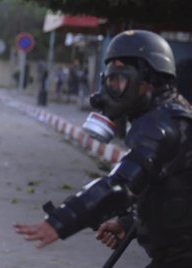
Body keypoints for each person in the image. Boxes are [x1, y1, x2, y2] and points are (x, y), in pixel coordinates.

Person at [14, 30, 192, 268]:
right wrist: (130, 223)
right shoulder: (168, 115)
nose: (111, 90)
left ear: (147, 80)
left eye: (120, 80)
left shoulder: (160, 125)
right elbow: (159, 186)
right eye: (110, 80)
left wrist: (60, 221)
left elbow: (121, 184)